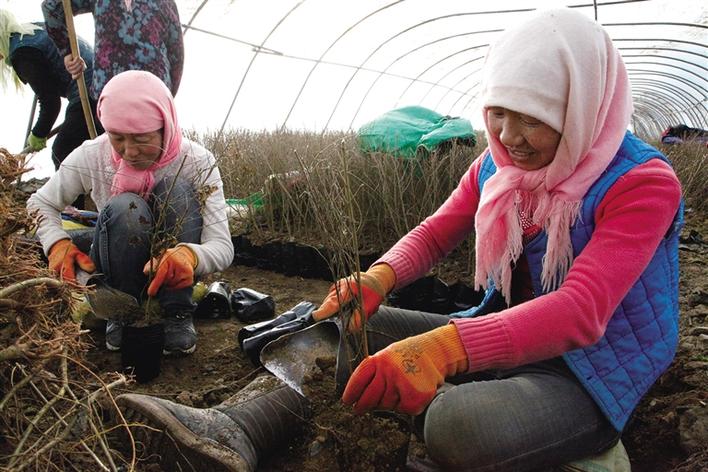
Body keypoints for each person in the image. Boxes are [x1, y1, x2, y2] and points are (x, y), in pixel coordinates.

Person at [109, 9, 683, 471]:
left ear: (581, 106)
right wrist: (377, 278)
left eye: (532, 118)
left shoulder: (641, 183)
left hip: (589, 371)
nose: (510, 137)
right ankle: (237, 430)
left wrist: (447, 349)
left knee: (454, 427)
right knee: (341, 325)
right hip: (502, 336)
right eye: (498, 115)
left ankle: (445, 428)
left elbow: (582, 312)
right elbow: (435, 233)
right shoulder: (498, 166)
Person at [27, 70, 233, 356]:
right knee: (126, 207)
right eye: (117, 138)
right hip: (117, 251)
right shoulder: (92, 155)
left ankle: (177, 310)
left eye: (141, 138)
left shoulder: (196, 161)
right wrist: (57, 244)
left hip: (172, 267)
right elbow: (40, 202)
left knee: (178, 192)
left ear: (165, 124)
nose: (129, 151)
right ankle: (121, 313)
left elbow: (222, 247)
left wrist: (190, 255)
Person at [0, 9, 102, 171]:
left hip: (88, 89)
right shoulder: (32, 32)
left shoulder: (23, 52)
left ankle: (72, 196)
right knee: (90, 149)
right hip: (102, 82)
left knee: (63, 151)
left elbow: (50, 101)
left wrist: (39, 133)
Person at [41, 0, 184, 100]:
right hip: (153, 89)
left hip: (110, 87)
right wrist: (168, 95)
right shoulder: (166, 3)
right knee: (147, 141)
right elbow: (176, 55)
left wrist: (67, 51)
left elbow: (51, 7)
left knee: (116, 141)